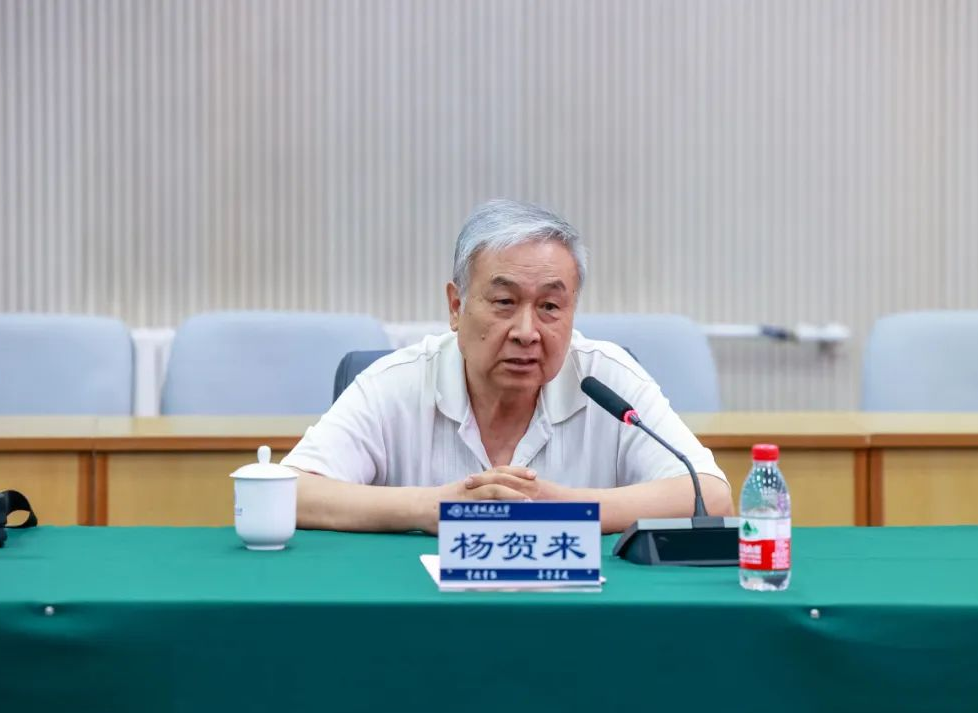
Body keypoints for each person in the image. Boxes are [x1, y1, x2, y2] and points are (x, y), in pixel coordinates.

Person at [283, 199, 731, 534]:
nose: (526, 331)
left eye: (550, 306)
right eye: (504, 302)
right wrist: (434, 508)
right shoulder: (397, 383)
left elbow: (710, 495)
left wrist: (564, 507)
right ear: (456, 307)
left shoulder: (606, 378)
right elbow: (288, 491)